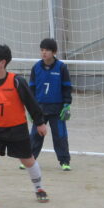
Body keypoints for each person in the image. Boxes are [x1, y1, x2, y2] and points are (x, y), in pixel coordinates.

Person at [0, 43, 49, 206]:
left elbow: (32, 104)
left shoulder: (17, 81)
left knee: (27, 160)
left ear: (3, 62)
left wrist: (40, 123)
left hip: (17, 129)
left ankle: (39, 188)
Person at [28, 37, 73, 170]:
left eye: (47, 50)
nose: (44, 52)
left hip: (57, 109)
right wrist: (31, 108)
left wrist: (67, 105)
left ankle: (64, 161)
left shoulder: (61, 67)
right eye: (42, 50)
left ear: (54, 52)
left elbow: (67, 87)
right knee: (35, 135)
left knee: (60, 136)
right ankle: (29, 159)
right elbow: (31, 89)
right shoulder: (36, 67)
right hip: (39, 108)